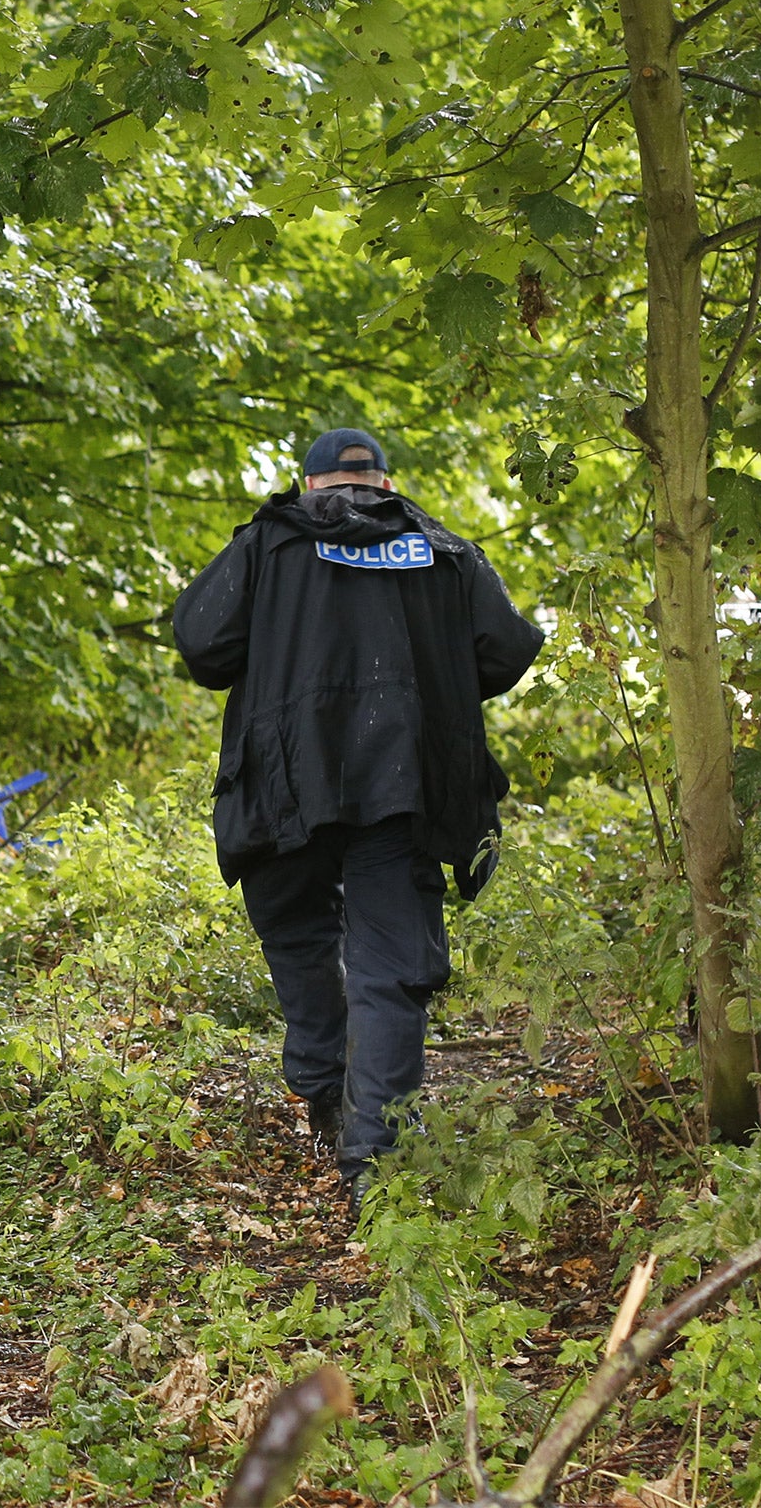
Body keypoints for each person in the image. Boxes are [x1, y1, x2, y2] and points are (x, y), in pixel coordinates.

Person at [172, 428, 543, 1213]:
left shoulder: (268, 542)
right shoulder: (442, 549)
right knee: (388, 969)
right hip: (402, 784)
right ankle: (372, 1165)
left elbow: (201, 643)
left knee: (298, 929)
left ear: (308, 484)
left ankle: (321, 1091)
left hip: (286, 781)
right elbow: (507, 650)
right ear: (383, 482)